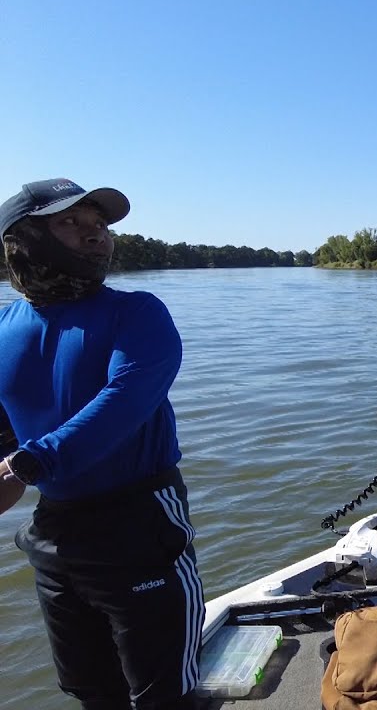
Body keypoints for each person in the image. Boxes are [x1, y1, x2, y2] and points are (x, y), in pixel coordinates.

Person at [0, 179, 204, 710]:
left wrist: (27, 463)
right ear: (22, 237)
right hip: (53, 534)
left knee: (165, 698)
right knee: (93, 695)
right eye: (73, 223)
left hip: (141, 526)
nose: (97, 237)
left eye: (101, 226)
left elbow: (125, 399)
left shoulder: (137, 313)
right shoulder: (2, 325)